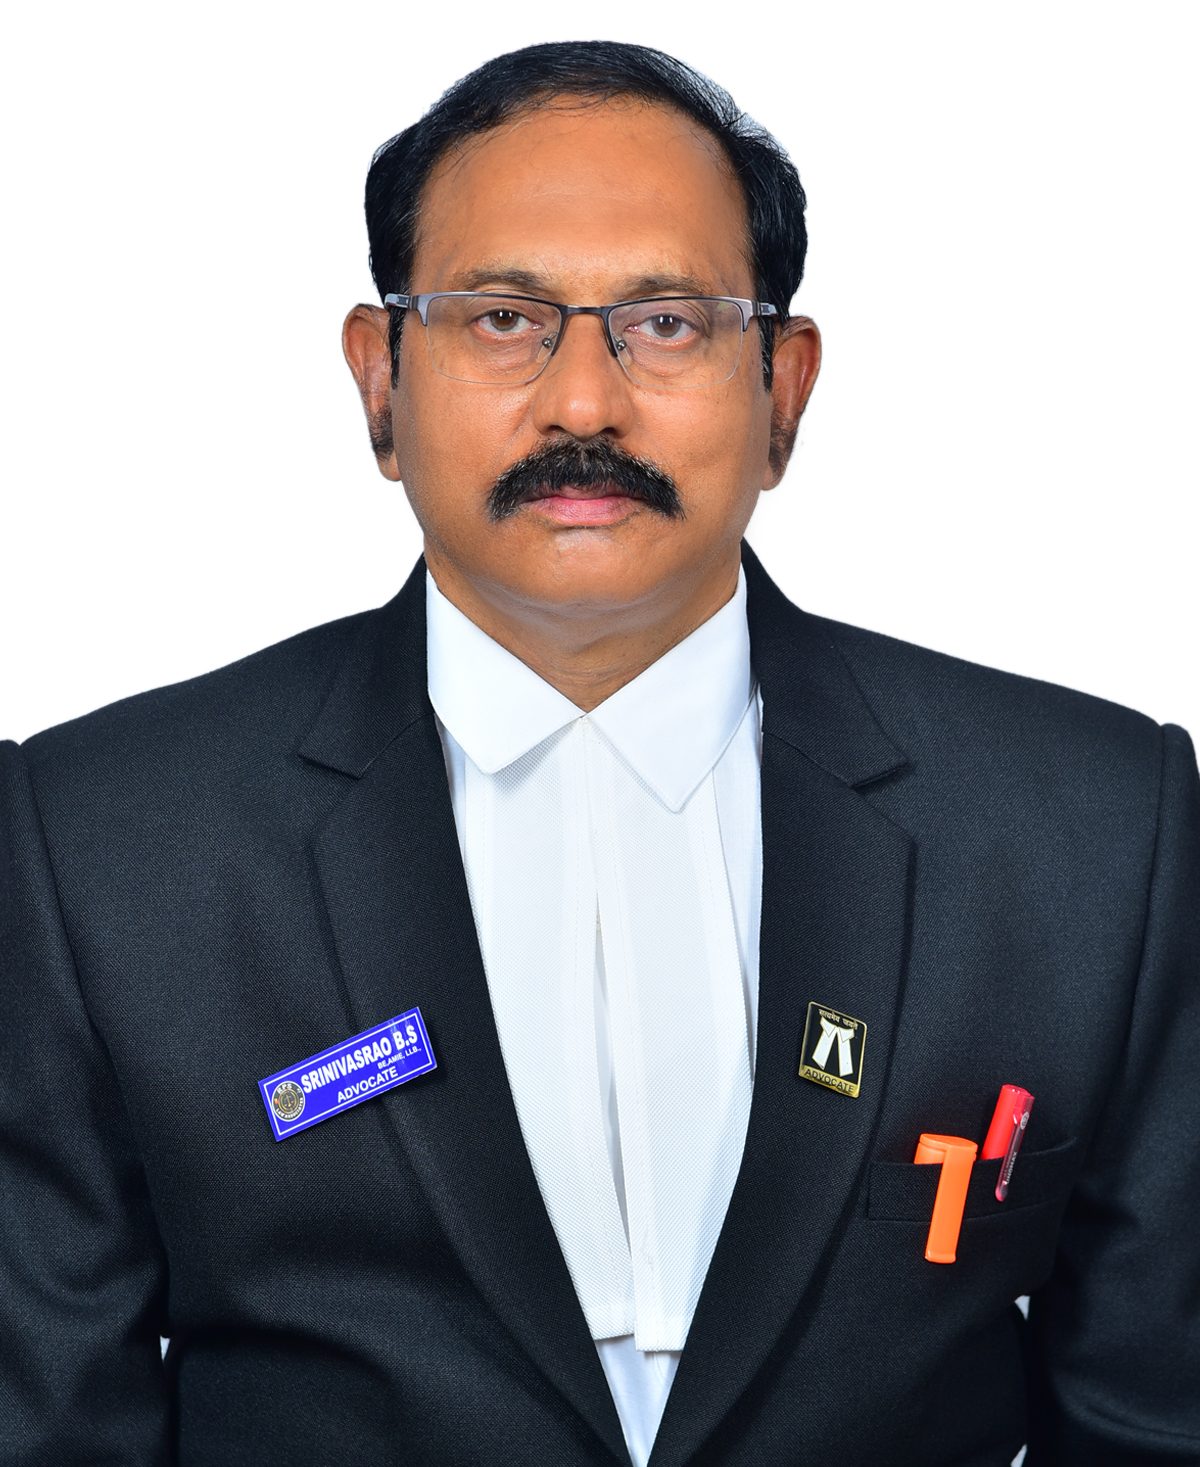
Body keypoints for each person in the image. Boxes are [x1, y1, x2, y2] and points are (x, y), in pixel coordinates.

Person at [1, 37, 1196, 1467]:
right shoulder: (100, 843)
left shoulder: (1090, 828)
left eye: (671, 323)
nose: (582, 404)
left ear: (786, 389)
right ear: (380, 381)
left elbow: (1154, 1418)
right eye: (502, 320)